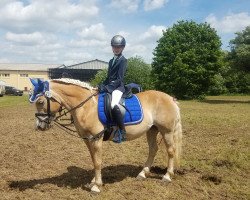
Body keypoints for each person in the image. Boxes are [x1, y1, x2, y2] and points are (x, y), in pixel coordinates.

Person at [99, 35, 127, 143]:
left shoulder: (123, 60)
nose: (116, 49)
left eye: (118, 47)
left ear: (122, 48)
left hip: (118, 88)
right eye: (114, 47)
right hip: (111, 86)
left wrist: (108, 87)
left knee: (113, 104)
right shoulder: (111, 61)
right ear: (112, 47)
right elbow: (109, 77)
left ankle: (122, 131)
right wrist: (101, 85)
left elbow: (119, 79)